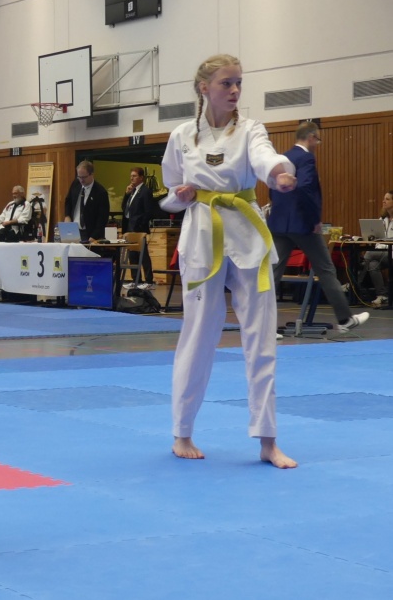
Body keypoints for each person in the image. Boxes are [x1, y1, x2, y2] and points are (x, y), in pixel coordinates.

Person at [160, 54, 298, 469]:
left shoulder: (251, 129)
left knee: (262, 338)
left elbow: (265, 156)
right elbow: (169, 192)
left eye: (238, 82)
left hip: (248, 235)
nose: (235, 90)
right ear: (204, 88)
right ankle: (182, 432)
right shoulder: (182, 136)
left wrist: (278, 173)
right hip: (202, 235)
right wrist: (180, 197)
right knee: (198, 335)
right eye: (226, 83)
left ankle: (268, 440)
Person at [268, 122, 369, 332]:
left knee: (273, 273)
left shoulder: (283, 158)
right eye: (318, 139)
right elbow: (305, 188)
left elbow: (273, 188)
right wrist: (315, 220)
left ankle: (262, 325)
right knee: (325, 269)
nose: (317, 144)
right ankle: (345, 319)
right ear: (312, 137)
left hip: (278, 223)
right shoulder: (306, 158)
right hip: (302, 223)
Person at [121, 167, 155, 288]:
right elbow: (124, 208)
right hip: (130, 227)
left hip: (139, 228)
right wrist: (126, 195)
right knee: (132, 255)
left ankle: (149, 280)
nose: (132, 178)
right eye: (131, 176)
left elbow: (148, 211)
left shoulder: (145, 191)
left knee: (143, 255)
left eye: (134, 176)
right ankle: (136, 279)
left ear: (141, 177)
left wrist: (140, 225)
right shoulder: (132, 191)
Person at [360, 190, 393, 306]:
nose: (384, 201)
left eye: (387, 199)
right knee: (372, 264)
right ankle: (382, 295)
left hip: (391, 252)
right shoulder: (382, 219)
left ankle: (355, 283)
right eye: (384, 199)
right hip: (381, 252)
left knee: (369, 254)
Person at [63, 160, 109, 241]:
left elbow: (102, 218)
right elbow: (68, 200)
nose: (81, 180)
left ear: (92, 174)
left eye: (84, 177)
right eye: (79, 177)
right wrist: (67, 216)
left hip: (90, 233)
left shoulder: (100, 192)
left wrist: (94, 236)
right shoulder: (76, 184)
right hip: (73, 229)